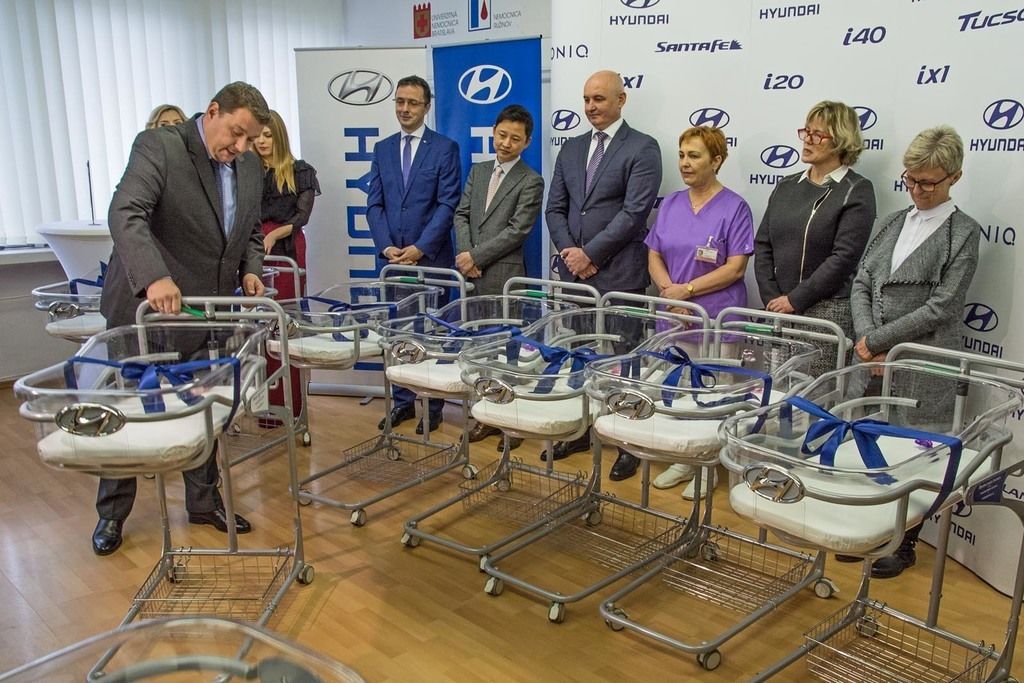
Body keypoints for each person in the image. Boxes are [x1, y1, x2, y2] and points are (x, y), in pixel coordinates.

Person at [93, 82, 270, 556]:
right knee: (128, 409)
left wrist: (251, 270)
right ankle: (112, 513)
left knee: (201, 406)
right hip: (145, 310)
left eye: (250, 139)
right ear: (212, 112)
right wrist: (154, 277)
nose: (241, 147)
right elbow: (125, 213)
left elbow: (251, 229)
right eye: (235, 133)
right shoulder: (160, 147)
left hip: (206, 311)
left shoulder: (248, 164)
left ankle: (203, 501)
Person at [842, 125, 980, 579]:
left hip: (924, 361)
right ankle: (868, 528)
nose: (918, 190)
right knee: (867, 440)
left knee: (914, 452)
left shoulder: (963, 233)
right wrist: (867, 339)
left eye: (928, 183)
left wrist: (881, 342)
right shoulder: (891, 222)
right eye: (911, 179)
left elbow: (943, 305)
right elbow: (862, 282)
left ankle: (904, 543)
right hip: (872, 358)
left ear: (954, 178)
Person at [544, 69, 662, 481]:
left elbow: (634, 213)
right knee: (580, 358)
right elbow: (555, 209)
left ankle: (628, 442)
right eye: (586, 99)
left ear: (620, 100)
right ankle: (581, 428)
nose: (591, 107)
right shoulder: (572, 148)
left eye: (599, 99)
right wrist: (571, 255)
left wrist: (590, 254)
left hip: (621, 276)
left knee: (626, 363)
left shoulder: (643, 147)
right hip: (577, 278)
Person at [645, 126, 754, 499]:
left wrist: (687, 291)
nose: (685, 163)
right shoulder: (671, 204)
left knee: (714, 396)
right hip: (675, 317)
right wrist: (668, 291)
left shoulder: (735, 207)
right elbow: (654, 253)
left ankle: (708, 468)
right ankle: (684, 460)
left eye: (694, 156)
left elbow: (736, 268)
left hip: (716, 319)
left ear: (717, 160)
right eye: (682, 155)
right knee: (680, 391)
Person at [367, 75, 461, 435]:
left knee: (431, 332)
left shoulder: (445, 148)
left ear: (426, 107)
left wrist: (420, 247)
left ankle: (433, 406)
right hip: (393, 261)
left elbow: (448, 204)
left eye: (412, 103)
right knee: (398, 332)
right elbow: (375, 204)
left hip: (431, 259)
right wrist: (385, 245)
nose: (405, 109)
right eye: (400, 101)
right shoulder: (383, 149)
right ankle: (403, 402)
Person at [754, 100, 876, 377]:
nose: (807, 140)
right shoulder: (786, 185)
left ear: (841, 141)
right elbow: (763, 245)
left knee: (814, 395)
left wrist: (795, 299)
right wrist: (773, 298)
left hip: (826, 312)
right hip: (779, 311)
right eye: (806, 132)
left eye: (818, 134)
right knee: (774, 391)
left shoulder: (856, 189)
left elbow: (844, 258)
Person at [454, 104, 543, 451]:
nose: (506, 143)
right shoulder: (478, 171)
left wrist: (476, 256)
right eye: (502, 135)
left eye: (515, 139)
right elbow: (461, 215)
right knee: (480, 349)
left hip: (505, 276)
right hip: (472, 275)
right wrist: (466, 256)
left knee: (508, 353)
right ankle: (486, 416)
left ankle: (512, 422)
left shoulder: (530, 180)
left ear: (527, 142)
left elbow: (517, 230)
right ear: (493, 132)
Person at [254, 110, 320, 420]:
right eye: (257, 136)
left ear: (279, 136)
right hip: (254, 248)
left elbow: (301, 217)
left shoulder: (300, 171)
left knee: (285, 323)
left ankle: (291, 405)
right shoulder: (246, 172)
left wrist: (274, 234)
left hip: (287, 248)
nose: (261, 141)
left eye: (268, 135)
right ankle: (263, 404)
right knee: (259, 325)